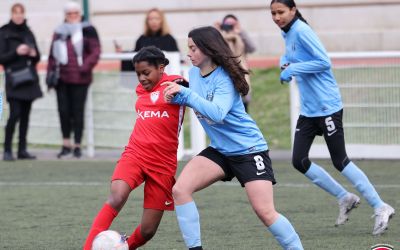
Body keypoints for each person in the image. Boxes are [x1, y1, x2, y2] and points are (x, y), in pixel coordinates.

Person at [162, 26, 303, 250]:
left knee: (265, 212)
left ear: (208, 49)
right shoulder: (193, 74)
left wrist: (187, 95)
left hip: (249, 150)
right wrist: (177, 97)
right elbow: (196, 101)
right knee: (180, 190)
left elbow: (217, 113)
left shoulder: (225, 78)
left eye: (193, 48)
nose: (188, 53)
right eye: (188, 48)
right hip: (220, 151)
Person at [270, 0, 395, 236]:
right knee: (299, 160)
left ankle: (381, 206)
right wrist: (283, 63)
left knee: (340, 160)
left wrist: (293, 69)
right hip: (309, 110)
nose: (277, 17)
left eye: (281, 12)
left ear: (293, 11)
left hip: (327, 106)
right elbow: (292, 57)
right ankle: (344, 197)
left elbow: (323, 62)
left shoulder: (302, 30)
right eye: (273, 13)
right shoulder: (287, 33)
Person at [83, 46, 188, 250]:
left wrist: (182, 85)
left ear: (160, 68)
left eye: (146, 73)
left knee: (148, 230)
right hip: (135, 153)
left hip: (163, 164)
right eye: (138, 74)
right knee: (117, 196)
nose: (141, 78)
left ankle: (124, 247)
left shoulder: (174, 84)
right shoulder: (141, 90)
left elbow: (188, 88)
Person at [47, 1, 100, 159]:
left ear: (80, 14)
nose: (72, 16)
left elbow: (95, 51)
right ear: (65, 15)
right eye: (69, 14)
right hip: (61, 78)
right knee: (63, 112)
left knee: (78, 112)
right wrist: (50, 75)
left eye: (75, 13)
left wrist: (84, 67)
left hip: (80, 78)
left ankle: (77, 145)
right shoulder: (59, 31)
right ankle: (66, 144)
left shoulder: (88, 30)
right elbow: (52, 55)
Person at [0, 3, 42, 161]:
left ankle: (22, 149)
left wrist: (32, 53)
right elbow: (1, 57)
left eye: (21, 13)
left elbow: (37, 57)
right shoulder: (3, 32)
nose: (18, 16)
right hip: (13, 80)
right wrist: (16, 52)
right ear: (11, 14)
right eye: (15, 13)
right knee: (14, 114)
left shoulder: (28, 32)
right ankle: (7, 149)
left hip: (29, 79)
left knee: (26, 116)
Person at [215, 14, 256, 112]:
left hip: (241, 76)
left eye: (232, 24)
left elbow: (252, 48)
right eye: (227, 24)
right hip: (225, 77)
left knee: (244, 110)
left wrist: (241, 32)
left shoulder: (240, 37)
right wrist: (215, 32)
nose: (229, 26)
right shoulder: (220, 37)